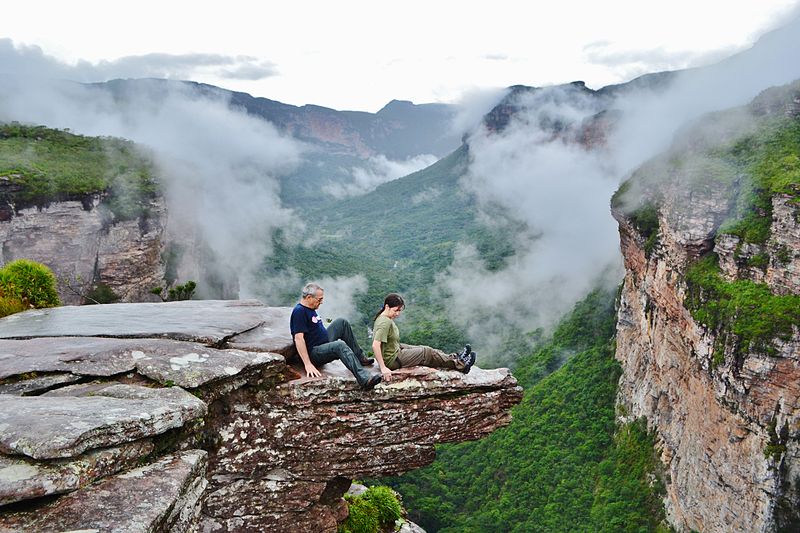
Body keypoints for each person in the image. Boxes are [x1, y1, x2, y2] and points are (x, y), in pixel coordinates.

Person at [290, 282, 382, 390]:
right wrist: (308, 364)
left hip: (323, 342)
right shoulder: (299, 312)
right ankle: (365, 379)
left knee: (342, 322)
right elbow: (299, 339)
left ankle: (360, 358)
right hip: (314, 352)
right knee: (340, 345)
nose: (321, 302)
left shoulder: (310, 309)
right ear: (309, 297)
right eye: (319, 299)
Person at [371, 293, 476, 383]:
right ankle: (461, 365)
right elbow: (375, 345)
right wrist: (383, 367)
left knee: (426, 349)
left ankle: (455, 357)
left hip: (395, 349)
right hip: (392, 360)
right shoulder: (384, 323)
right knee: (426, 353)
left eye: (399, 310)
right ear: (387, 306)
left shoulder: (384, 317)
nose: (398, 314)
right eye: (396, 310)